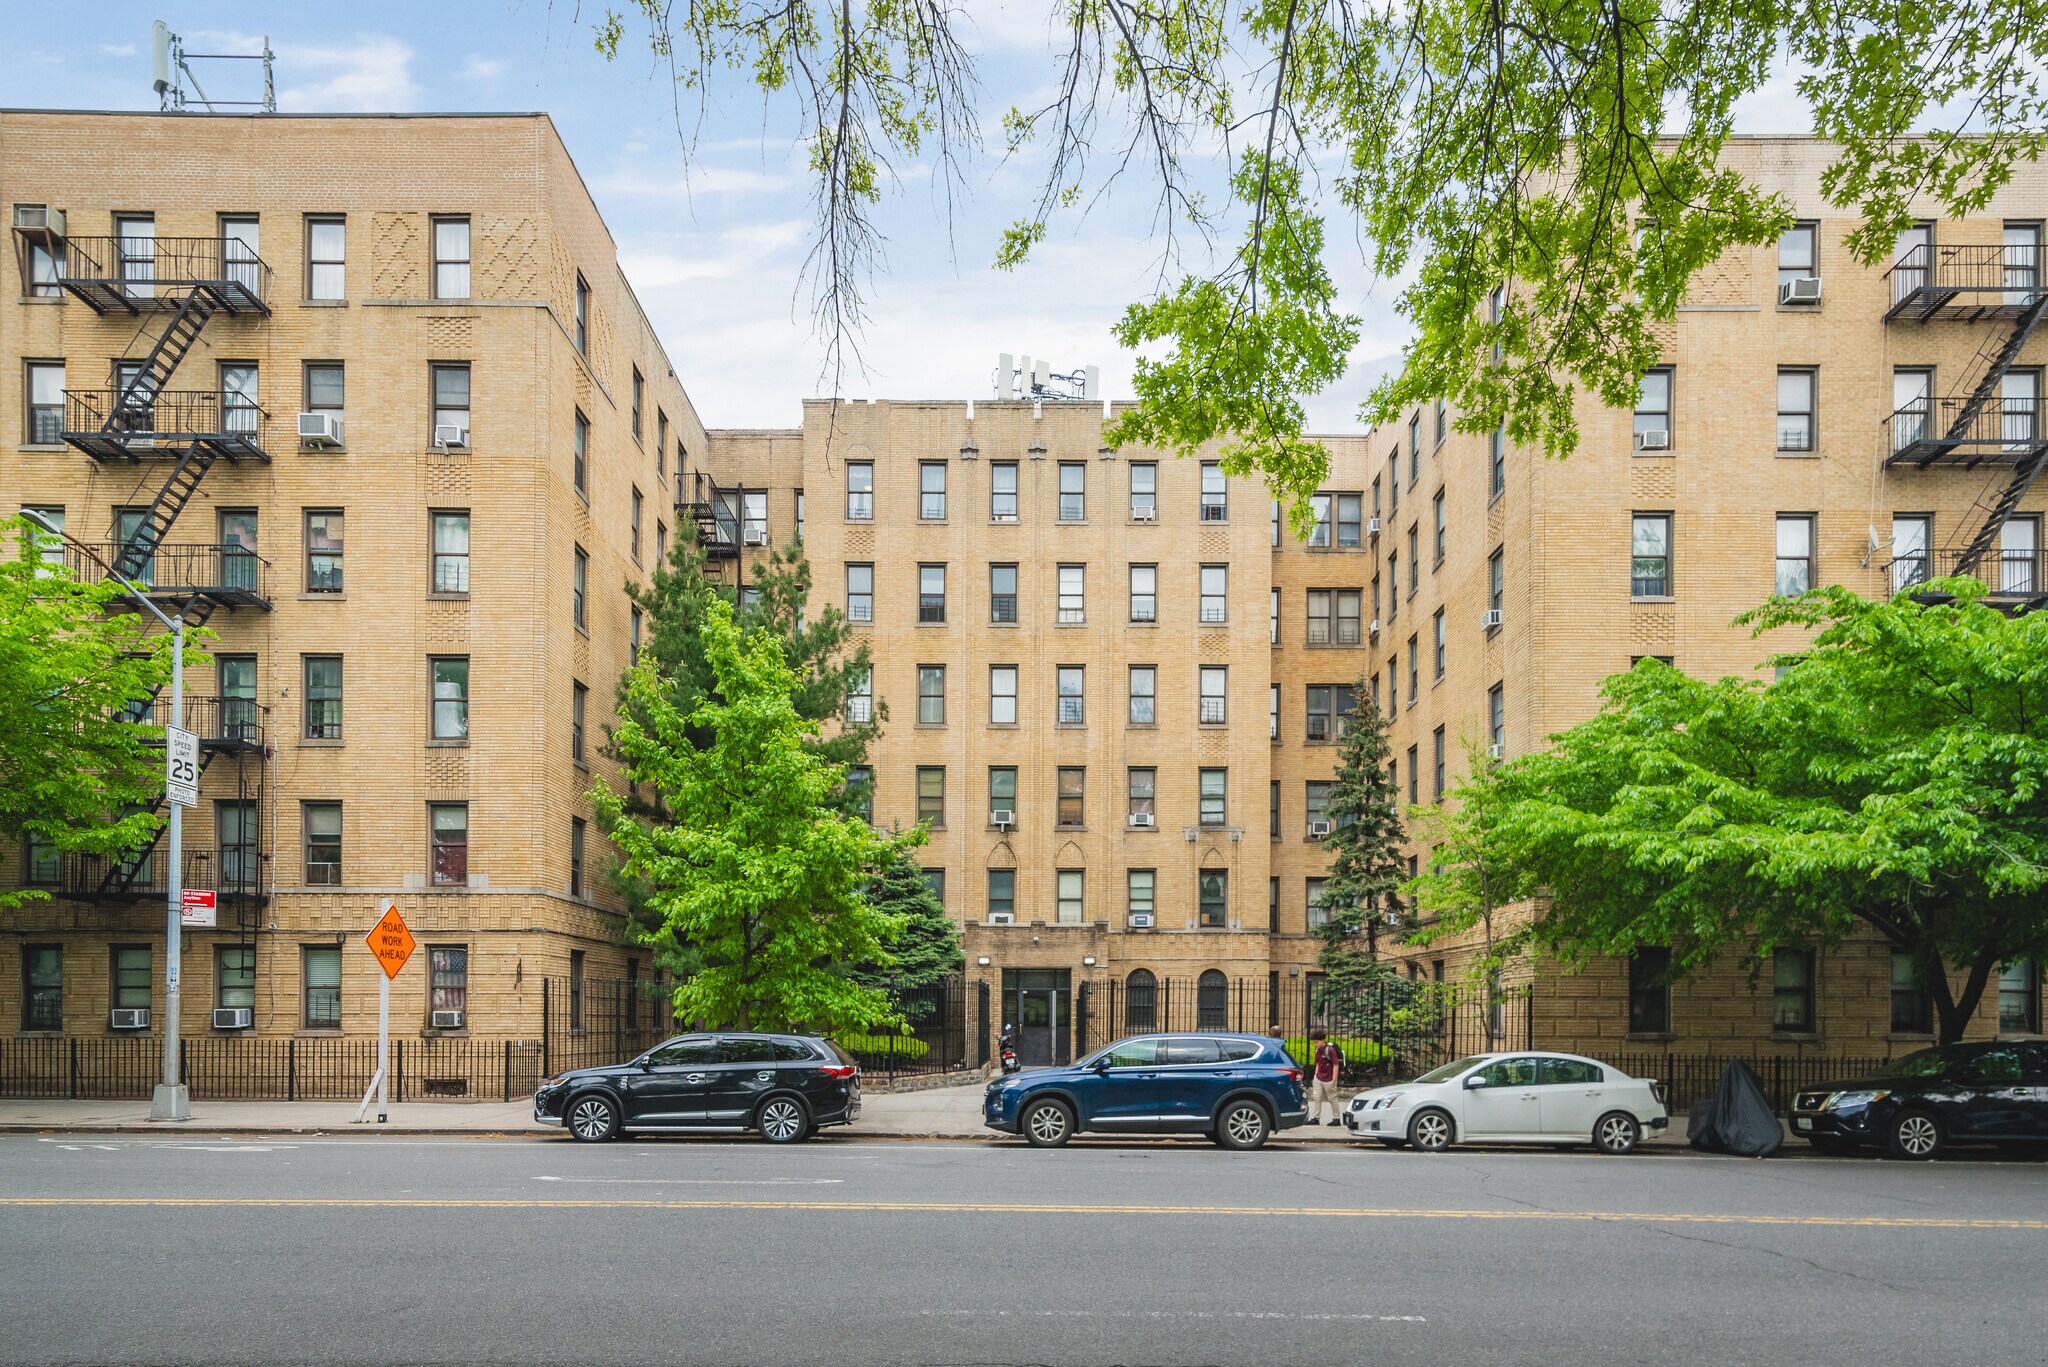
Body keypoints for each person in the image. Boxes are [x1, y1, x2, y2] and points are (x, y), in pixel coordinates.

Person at [1309, 1029, 1343, 1126]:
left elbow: (1336, 1064)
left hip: (1329, 1078)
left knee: (1332, 1099)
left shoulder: (1330, 1050)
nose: (1315, 1044)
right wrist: (1315, 1074)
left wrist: (1334, 1078)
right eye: (1314, 1042)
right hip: (1319, 1078)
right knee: (1316, 1098)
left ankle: (1336, 1119)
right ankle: (1315, 1118)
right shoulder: (1317, 1050)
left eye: (1316, 1042)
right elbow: (1318, 1063)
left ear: (1322, 1040)